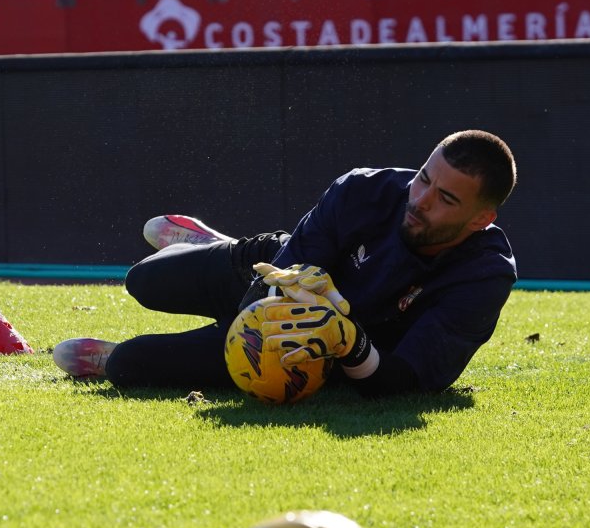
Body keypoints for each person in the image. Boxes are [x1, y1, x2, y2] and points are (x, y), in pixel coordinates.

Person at [53, 129, 518, 397]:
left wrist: (346, 342)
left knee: (132, 364)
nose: (420, 200)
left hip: (328, 354)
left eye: (446, 199)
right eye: (423, 179)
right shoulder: (362, 190)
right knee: (145, 280)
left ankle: (119, 354)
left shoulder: (484, 275)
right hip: (276, 271)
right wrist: (283, 299)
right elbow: (279, 281)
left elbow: (405, 382)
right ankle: (216, 245)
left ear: (481, 218)